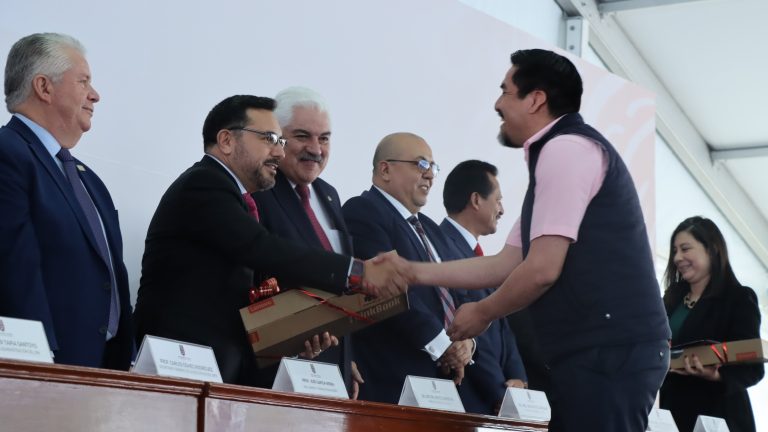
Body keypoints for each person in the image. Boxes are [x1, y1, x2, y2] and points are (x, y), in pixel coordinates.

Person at [381, 49, 671, 431]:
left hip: (609, 352)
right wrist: (411, 272)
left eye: (505, 91)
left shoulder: (565, 150)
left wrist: (482, 313)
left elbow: (542, 270)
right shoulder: (560, 155)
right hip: (596, 353)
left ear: (535, 99)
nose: (497, 103)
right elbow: (505, 263)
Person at [133, 95, 406, 387]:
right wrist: (357, 272)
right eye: (269, 139)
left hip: (222, 367)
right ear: (226, 140)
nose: (278, 152)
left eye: (280, 142)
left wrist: (297, 333)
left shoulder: (236, 195)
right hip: (181, 360)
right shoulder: (204, 184)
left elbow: (256, 287)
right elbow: (260, 248)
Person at [0, 33, 134, 369]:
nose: (95, 95)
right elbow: (15, 270)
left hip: (103, 371)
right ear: (44, 87)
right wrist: (37, 365)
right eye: (84, 81)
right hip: (45, 371)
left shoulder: (90, 181)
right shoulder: (7, 154)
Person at [342, 132, 475, 405]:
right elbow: (389, 289)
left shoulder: (433, 230)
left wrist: (467, 342)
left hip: (444, 381)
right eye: (421, 165)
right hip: (393, 381)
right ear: (385, 169)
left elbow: (460, 293)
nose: (430, 176)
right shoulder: (363, 211)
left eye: (433, 167)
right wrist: (443, 345)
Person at [251, 86, 360, 396]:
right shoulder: (260, 192)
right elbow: (256, 282)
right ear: (277, 137)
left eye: (324, 138)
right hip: (278, 369)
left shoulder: (329, 194)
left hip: (331, 367)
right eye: (303, 136)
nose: (316, 149)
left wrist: (345, 358)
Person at [659, 216, 764, 432]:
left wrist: (716, 375)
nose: (678, 257)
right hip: (671, 415)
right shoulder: (672, 297)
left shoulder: (738, 298)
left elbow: (753, 366)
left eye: (685, 248)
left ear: (712, 249)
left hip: (719, 417)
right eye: (674, 250)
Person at [440, 159, 527, 415]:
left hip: (494, 400)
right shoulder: (441, 248)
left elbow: (501, 325)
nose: (502, 209)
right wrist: (499, 393)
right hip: (469, 398)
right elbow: (465, 331)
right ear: (476, 200)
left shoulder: (479, 256)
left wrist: (519, 380)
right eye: (498, 200)